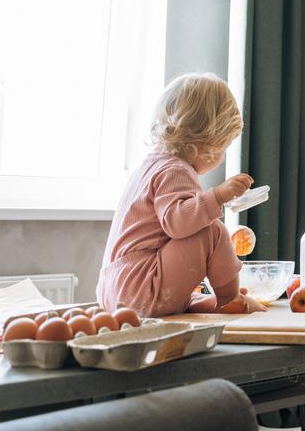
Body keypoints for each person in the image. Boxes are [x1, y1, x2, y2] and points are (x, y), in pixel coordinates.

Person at [97, 72, 266, 317]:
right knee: (211, 230)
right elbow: (178, 224)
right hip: (140, 287)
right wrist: (218, 196)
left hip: (116, 289)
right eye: (224, 147)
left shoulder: (149, 165)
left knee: (195, 238)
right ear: (210, 143)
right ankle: (230, 300)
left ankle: (205, 301)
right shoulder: (176, 169)